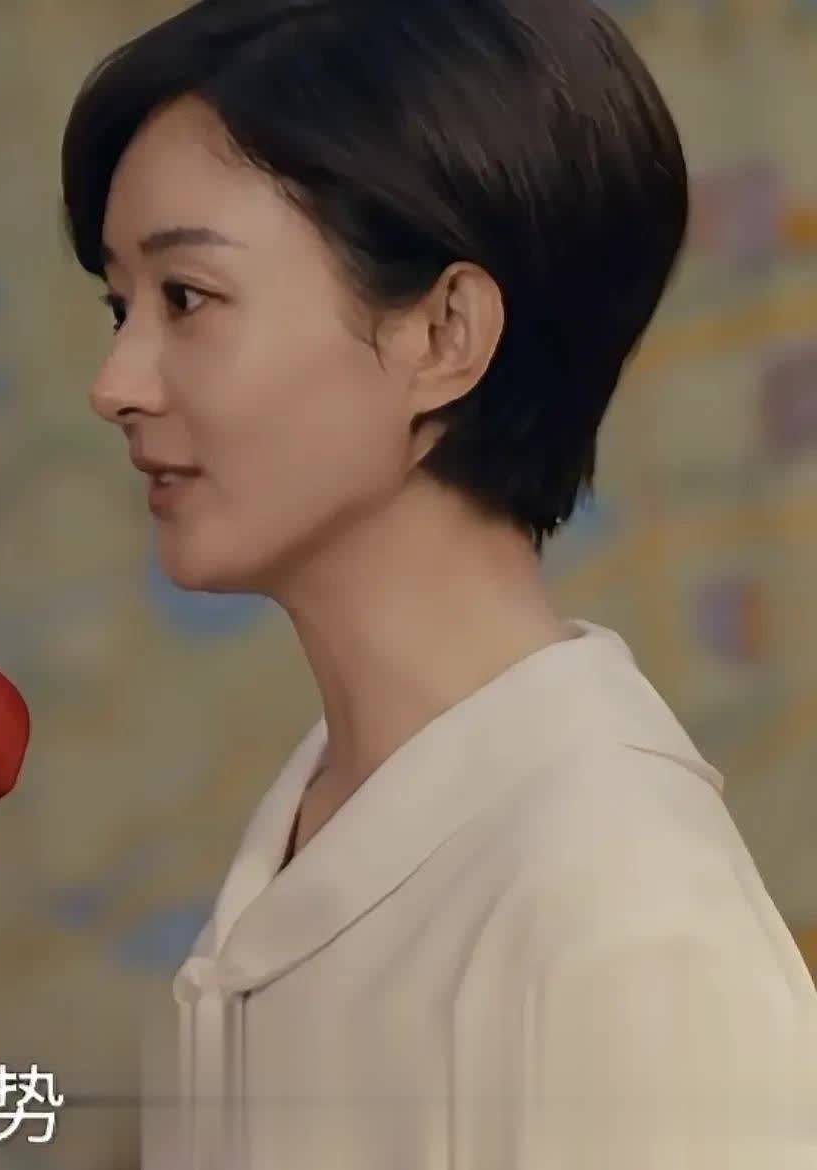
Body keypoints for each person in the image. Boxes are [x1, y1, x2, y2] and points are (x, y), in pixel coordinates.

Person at [60, 1, 817, 1166]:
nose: (116, 382)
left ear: (442, 333)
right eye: (122, 307)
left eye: (187, 299)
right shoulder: (324, 836)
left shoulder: (621, 915)